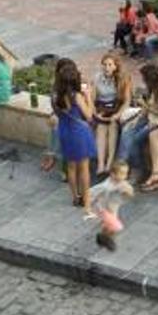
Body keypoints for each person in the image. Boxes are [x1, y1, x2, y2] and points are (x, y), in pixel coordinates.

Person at [116, 64, 158, 186]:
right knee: (127, 131)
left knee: (135, 140)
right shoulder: (151, 88)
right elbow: (147, 110)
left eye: (144, 78)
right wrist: (136, 119)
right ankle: (120, 168)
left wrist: (144, 104)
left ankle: (137, 169)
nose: (142, 80)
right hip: (147, 118)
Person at [53, 62, 98, 215]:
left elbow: (59, 115)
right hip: (78, 132)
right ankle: (86, 198)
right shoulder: (76, 96)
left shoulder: (56, 96)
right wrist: (89, 97)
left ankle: (75, 197)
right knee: (84, 168)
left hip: (65, 131)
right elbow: (89, 116)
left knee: (71, 167)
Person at [91, 54, 132, 177]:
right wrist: (95, 114)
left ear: (115, 66)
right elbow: (92, 100)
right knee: (101, 129)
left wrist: (118, 114)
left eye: (110, 65)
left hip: (116, 108)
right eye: (104, 65)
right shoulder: (97, 78)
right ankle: (101, 165)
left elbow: (127, 101)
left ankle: (109, 164)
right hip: (102, 108)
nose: (106, 67)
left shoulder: (123, 78)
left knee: (113, 126)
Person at [90, 161, 134, 251]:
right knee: (116, 226)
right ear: (113, 174)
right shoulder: (107, 186)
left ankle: (102, 237)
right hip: (103, 209)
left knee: (108, 226)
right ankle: (108, 240)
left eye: (125, 173)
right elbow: (94, 191)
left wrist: (128, 192)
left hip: (113, 208)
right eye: (121, 173)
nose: (124, 176)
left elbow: (130, 193)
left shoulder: (122, 183)